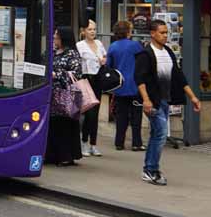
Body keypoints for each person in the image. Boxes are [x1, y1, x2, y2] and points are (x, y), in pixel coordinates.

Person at [135, 20, 202, 185]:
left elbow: (179, 76)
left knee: (156, 134)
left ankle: (148, 170)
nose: (166, 35)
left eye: (167, 33)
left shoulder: (168, 52)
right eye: (162, 32)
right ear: (152, 34)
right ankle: (151, 170)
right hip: (153, 101)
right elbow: (140, 79)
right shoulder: (146, 54)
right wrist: (146, 100)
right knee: (161, 133)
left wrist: (193, 97)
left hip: (165, 101)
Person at [45, 26, 83, 166]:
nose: (54, 39)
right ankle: (51, 155)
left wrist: (57, 74)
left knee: (65, 125)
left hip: (67, 95)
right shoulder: (53, 52)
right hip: (52, 95)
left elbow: (76, 74)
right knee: (53, 125)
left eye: (57, 36)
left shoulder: (72, 54)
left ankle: (66, 156)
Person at [106, 20, 144, 151]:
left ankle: (119, 142)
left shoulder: (113, 46)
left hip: (120, 86)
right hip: (135, 85)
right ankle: (136, 143)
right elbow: (142, 64)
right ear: (128, 32)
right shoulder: (136, 46)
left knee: (121, 117)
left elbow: (109, 67)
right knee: (136, 117)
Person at [76, 20, 106, 157]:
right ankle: (84, 142)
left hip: (98, 78)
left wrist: (103, 60)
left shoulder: (99, 43)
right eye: (89, 29)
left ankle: (93, 144)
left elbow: (104, 56)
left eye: (94, 29)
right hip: (87, 79)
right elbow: (77, 63)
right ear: (83, 31)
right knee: (89, 113)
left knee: (96, 113)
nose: (92, 32)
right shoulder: (80, 45)